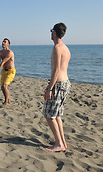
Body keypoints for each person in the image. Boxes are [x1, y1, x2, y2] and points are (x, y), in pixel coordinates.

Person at [42, 22, 71, 152]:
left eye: (51, 31)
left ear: (54, 33)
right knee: (57, 114)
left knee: (49, 115)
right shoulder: (66, 48)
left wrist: (50, 88)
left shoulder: (57, 48)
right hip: (66, 83)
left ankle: (59, 144)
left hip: (59, 84)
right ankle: (62, 142)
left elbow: (56, 70)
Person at [0, 38, 15, 106]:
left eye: (5, 42)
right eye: (3, 42)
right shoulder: (0, 53)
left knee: (4, 86)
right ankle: (8, 100)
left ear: (8, 44)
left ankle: (6, 102)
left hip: (11, 71)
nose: (3, 43)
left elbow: (3, 62)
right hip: (4, 71)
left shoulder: (10, 53)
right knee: (2, 87)